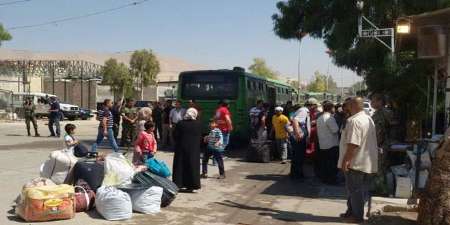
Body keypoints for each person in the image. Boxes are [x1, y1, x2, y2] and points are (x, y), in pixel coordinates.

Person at [340, 97, 378, 223]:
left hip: (356, 162)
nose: (346, 108)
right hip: (366, 161)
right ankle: (351, 212)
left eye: (348, 105)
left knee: (355, 191)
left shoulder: (355, 121)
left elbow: (353, 144)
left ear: (352, 106)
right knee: (356, 190)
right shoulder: (368, 119)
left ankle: (357, 217)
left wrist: (345, 161)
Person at [172, 108, 202, 192]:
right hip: (194, 149)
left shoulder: (180, 123)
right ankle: (192, 185)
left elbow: (175, 135)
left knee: (180, 166)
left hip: (181, 148)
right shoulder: (198, 124)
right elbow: (200, 137)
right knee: (192, 166)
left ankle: (179, 184)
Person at [316, 101, 340, 184]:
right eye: (333, 107)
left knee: (325, 164)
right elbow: (335, 130)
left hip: (323, 144)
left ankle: (325, 179)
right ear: (331, 108)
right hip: (331, 145)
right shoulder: (330, 118)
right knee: (332, 164)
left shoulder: (320, 118)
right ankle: (331, 180)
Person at [290, 102, 311, 179]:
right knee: (299, 156)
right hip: (299, 137)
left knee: (296, 155)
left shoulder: (300, 111)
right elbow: (295, 121)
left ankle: (295, 174)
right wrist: (297, 134)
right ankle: (297, 175)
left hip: (299, 136)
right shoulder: (304, 110)